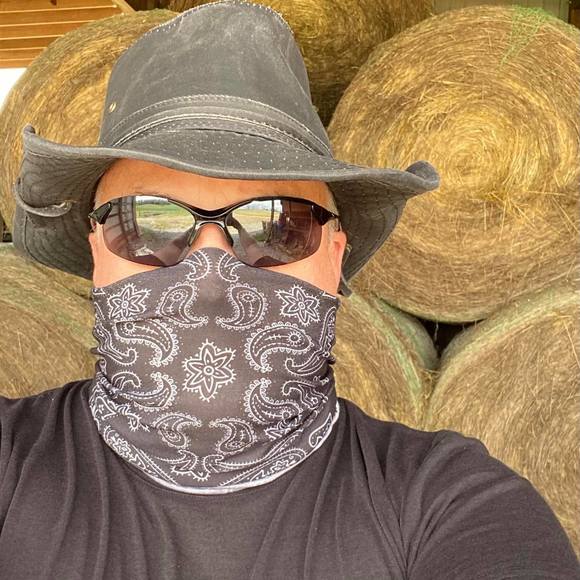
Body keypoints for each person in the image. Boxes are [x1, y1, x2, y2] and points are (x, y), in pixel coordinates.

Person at [2, 1, 579, 578]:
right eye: (148, 223)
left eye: (276, 227)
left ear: (335, 258)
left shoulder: (446, 496)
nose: (211, 273)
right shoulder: (10, 461)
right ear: (97, 250)